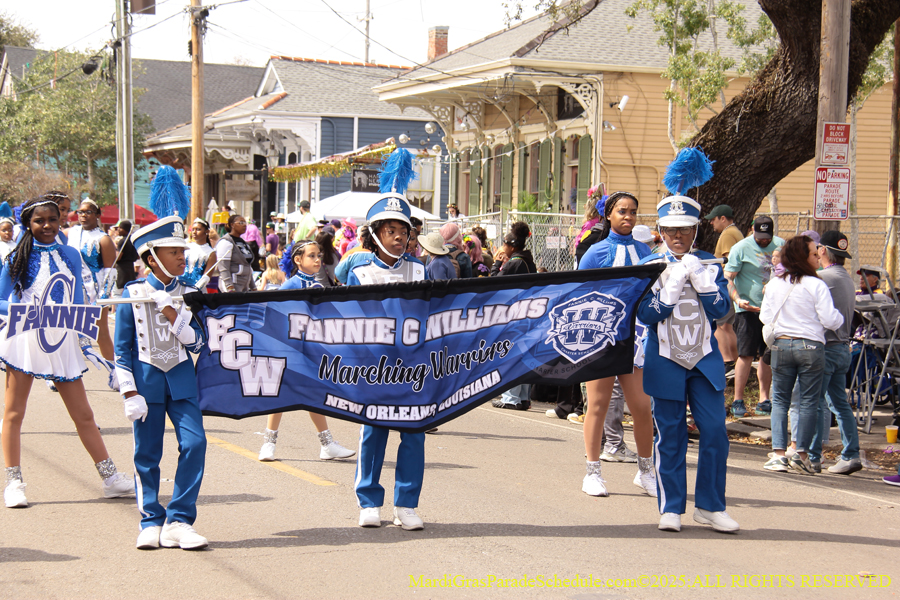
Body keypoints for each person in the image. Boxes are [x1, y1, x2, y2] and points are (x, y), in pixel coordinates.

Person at [1, 196, 133, 509]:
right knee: (14, 412)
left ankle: (110, 478)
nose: (47, 226)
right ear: (28, 224)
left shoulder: (70, 254)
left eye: (52, 219)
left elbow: (76, 297)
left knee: (84, 414)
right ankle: (14, 482)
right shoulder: (14, 259)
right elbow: (0, 301)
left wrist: (85, 313)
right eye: (39, 221)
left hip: (61, 341)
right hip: (26, 340)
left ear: (61, 221)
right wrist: (27, 309)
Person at [637, 194, 738, 533]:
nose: (677, 236)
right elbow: (643, 314)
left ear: (696, 230)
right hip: (665, 358)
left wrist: (706, 285)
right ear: (660, 230)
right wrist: (666, 294)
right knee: (670, 434)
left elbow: (725, 312)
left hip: (704, 359)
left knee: (715, 432)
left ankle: (710, 506)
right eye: (670, 230)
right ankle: (671, 507)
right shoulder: (649, 264)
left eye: (685, 230)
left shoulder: (709, 264)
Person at [114, 215, 209, 550]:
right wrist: (129, 392)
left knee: (195, 444)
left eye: (183, 250)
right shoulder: (132, 293)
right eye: (174, 251)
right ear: (152, 257)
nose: (183, 257)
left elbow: (199, 344)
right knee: (147, 454)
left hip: (182, 383)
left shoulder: (191, 293)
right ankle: (151, 519)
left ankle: (179, 520)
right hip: (146, 386)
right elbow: (121, 350)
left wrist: (173, 313)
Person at [348, 163, 428, 530]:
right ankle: (368, 501)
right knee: (373, 433)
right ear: (376, 233)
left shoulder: (420, 272)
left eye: (403, 231)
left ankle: (406, 504)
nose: (398, 237)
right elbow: (347, 323)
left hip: (412, 368)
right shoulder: (360, 272)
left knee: (413, 434)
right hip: (373, 367)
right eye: (391, 230)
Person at [573, 191, 657, 498]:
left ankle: (646, 471)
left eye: (633, 212)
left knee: (642, 406)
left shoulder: (646, 251)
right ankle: (592, 472)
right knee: (597, 405)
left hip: (637, 338)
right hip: (602, 337)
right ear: (608, 214)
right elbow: (578, 294)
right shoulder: (595, 253)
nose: (629, 217)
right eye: (622, 211)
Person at [257, 241, 356, 463]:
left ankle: (327, 444)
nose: (318, 260)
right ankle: (268, 443)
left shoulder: (318, 285)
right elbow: (274, 316)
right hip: (290, 349)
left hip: (311, 350)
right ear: (298, 260)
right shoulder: (290, 285)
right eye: (312, 256)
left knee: (315, 395)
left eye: (319, 255)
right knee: (280, 395)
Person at [760, 235, 843, 475]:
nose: (818, 258)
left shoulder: (775, 283)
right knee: (807, 401)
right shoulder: (816, 284)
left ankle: (777, 454)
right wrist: (840, 319)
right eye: (813, 254)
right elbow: (830, 319)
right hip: (811, 347)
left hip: (782, 345)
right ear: (802, 257)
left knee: (780, 400)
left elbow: (765, 316)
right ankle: (800, 453)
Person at [809, 231, 862, 475]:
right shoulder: (847, 278)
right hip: (843, 347)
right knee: (839, 403)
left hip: (827, 348)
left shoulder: (822, 278)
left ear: (822, 251)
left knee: (818, 403)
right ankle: (851, 454)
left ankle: (813, 456)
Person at [724, 216, 784, 416]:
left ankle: (764, 399)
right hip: (748, 310)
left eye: (767, 237)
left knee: (768, 355)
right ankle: (738, 400)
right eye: (760, 236)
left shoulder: (781, 245)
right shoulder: (740, 248)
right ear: (752, 230)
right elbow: (728, 278)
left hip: (773, 312)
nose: (764, 241)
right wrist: (737, 300)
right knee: (745, 354)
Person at [490, 222, 538, 411]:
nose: (503, 247)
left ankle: (511, 398)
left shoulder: (514, 262)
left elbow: (494, 284)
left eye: (505, 243)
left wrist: (496, 264)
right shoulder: (528, 260)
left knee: (512, 355)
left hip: (514, 315)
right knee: (524, 354)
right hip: (528, 313)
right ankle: (524, 398)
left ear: (512, 244)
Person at [705, 205, 742, 369]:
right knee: (727, 326)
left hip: (727, 284)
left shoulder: (727, 234)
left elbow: (728, 262)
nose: (711, 223)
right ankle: (736, 360)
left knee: (718, 323)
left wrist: (724, 282)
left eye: (713, 219)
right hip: (735, 286)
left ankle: (727, 362)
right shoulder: (736, 232)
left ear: (723, 218)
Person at [67, 198, 116, 303]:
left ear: (97, 215)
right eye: (81, 212)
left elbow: (110, 273)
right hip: (72, 290)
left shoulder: (103, 239)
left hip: (94, 293)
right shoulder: (72, 232)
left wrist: (102, 300)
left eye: (88, 212)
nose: (83, 215)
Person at [216, 214, 257, 293]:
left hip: (244, 285)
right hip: (233, 285)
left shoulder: (243, 242)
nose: (244, 225)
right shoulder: (226, 242)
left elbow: (247, 266)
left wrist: (253, 287)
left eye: (245, 223)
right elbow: (223, 267)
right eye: (241, 223)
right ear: (232, 225)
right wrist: (229, 287)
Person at [183, 217, 218, 293]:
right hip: (180, 287)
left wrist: (195, 289)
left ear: (207, 232)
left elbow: (207, 276)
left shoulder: (210, 252)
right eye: (193, 229)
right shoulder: (186, 247)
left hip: (197, 291)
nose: (194, 232)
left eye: (198, 229)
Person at [112, 220, 140, 298]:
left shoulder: (122, 241)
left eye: (120, 228)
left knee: (117, 294)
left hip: (121, 271)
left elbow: (118, 257)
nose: (118, 230)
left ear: (125, 229)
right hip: (131, 270)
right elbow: (138, 256)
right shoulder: (133, 241)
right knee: (129, 292)